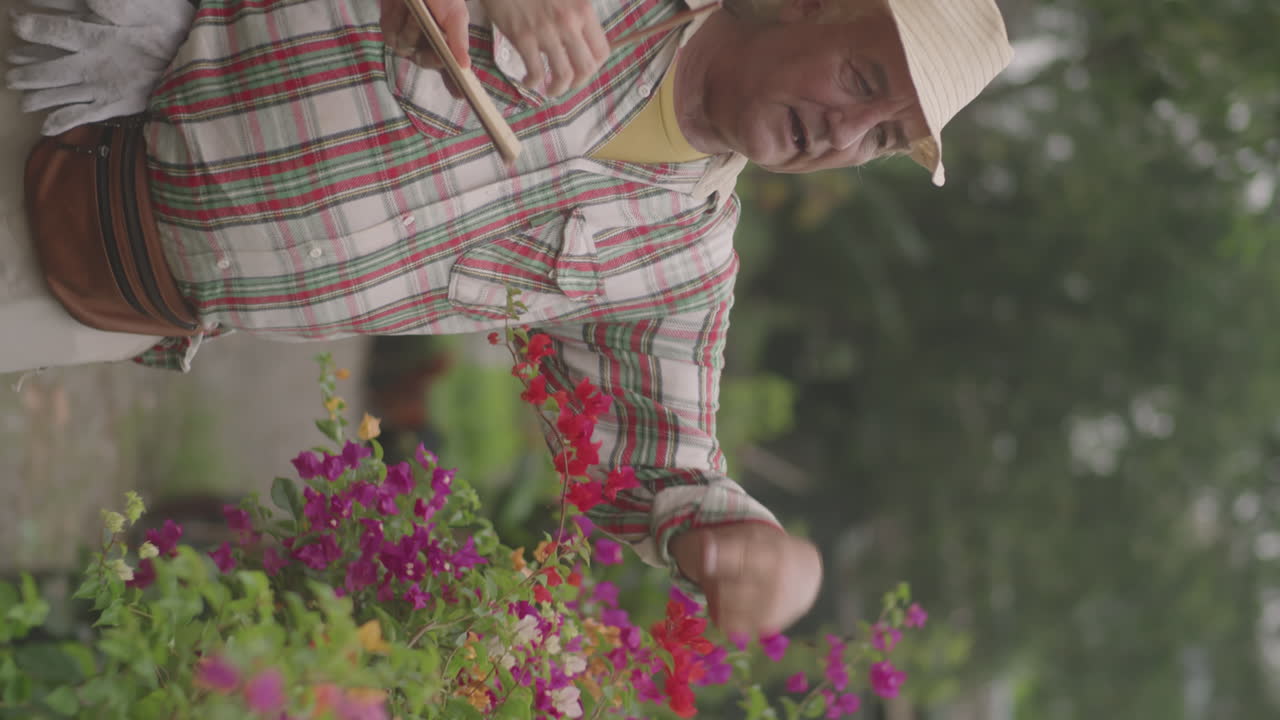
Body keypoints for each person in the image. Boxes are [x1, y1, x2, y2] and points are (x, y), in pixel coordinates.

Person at [2, 0, 1013, 637]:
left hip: (98, 289)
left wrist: (750, 546)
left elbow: (654, 473)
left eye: (881, 138)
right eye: (860, 81)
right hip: (58, 84)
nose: (842, 132)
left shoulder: (681, 258)